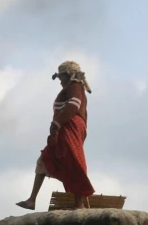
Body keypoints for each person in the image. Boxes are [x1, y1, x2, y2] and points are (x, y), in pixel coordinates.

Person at [17, 61, 95, 211]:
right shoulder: (70, 87)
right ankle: (32, 200)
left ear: (68, 75)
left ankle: (79, 204)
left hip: (70, 126)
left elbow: (73, 105)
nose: (60, 81)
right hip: (65, 126)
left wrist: (57, 123)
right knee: (46, 157)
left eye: (61, 77)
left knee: (74, 160)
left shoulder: (75, 86)